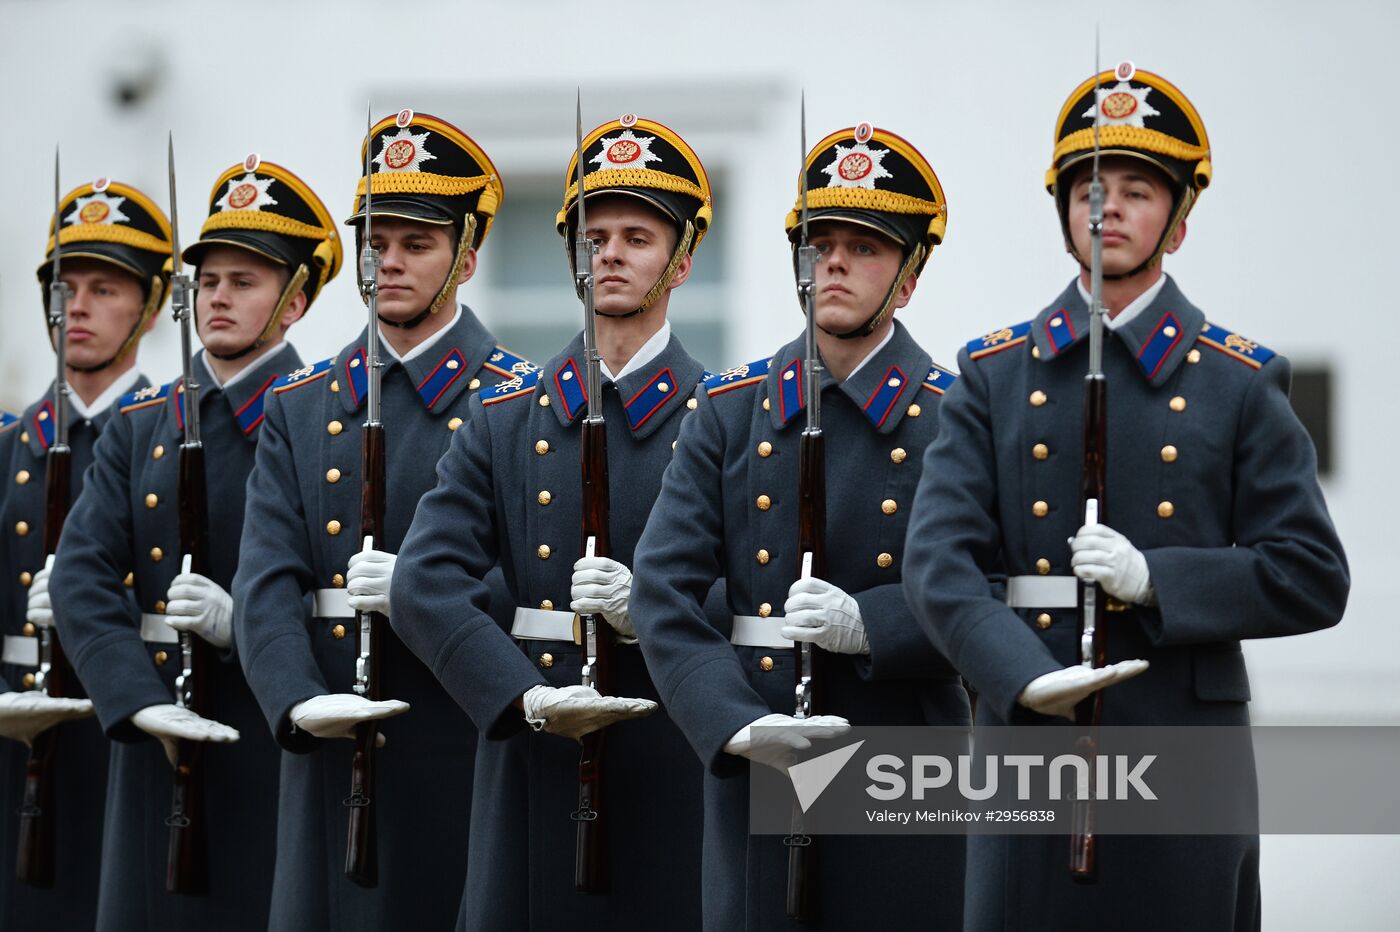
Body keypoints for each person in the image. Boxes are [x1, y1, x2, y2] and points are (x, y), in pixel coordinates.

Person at [902, 65, 1349, 930]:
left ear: (1177, 226)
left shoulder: (1241, 383)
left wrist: (1158, 580)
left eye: (1136, 191)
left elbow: (1311, 574)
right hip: (1026, 737)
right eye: (1088, 190)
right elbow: (938, 564)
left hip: (1181, 736)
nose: (1106, 208)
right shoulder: (993, 376)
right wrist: (1027, 682)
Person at [629, 124, 968, 929]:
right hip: (760, 755)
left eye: (865, 247)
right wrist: (737, 723)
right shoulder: (730, 408)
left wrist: (875, 625)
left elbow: (985, 595)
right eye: (820, 246)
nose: (836, 265)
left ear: (910, 277)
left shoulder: (957, 420)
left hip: (903, 758)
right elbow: (662, 591)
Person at [391, 113, 716, 931]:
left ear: (680, 260)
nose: (608, 253)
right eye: (593, 235)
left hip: (672, 744)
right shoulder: (505, 417)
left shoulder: (725, 413)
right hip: (533, 749)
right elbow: (425, 585)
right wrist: (523, 697)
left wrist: (656, 613)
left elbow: (761, 597)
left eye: (636, 236)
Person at [232, 109, 530, 931]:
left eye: (417, 244)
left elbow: (535, 583)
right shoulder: (299, 406)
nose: (389, 262)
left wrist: (428, 595)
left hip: (458, 732)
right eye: (377, 242)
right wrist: (296, 700)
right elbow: (266, 580)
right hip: (330, 734)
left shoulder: (517, 400)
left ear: (465, 258)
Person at [48, 156, 341, 930]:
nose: (218, 298)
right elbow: (81, 577)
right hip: (157, 732)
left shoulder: (325, 420)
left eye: (245, 282)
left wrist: (242, 623)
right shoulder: (143, 424)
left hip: (271, 729)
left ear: (296, 301)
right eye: (208, 281)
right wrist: (138, 703)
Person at [0, 177, 170, 930]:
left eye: (105, 288)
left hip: (132, 735)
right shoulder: (10, 448)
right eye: (65, 289)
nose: (78, 307)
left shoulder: (170, 441)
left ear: (154, 305)